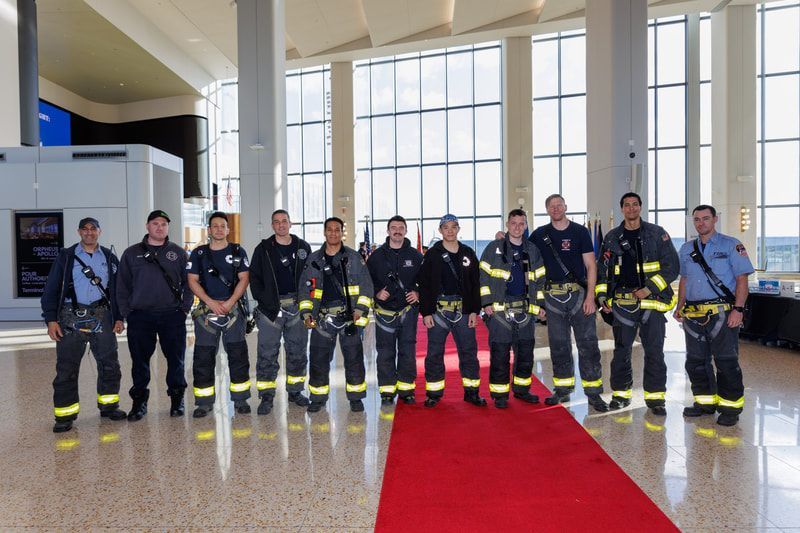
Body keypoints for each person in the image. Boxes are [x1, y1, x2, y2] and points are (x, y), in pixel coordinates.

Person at [596, 193, 679, 416]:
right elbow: (603, 272)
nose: (631, 208)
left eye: (635, 204)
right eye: (627, 205)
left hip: (652, 302)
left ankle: (655, 398)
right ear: (622, 208)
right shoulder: (612, 237)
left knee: (654, 351)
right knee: (621, 351)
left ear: (640, 207)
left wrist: (649, 288)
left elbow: (672, 267)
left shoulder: (657, 234)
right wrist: (602, 297)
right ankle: (621, 395)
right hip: (623, 303)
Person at [41, 217, 126, 433]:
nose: (89, 232)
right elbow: (51, 289)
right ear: (79, 232)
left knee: (109, 364)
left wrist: (119, 317)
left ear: (99, 231)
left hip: (103, 315)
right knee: (67, 367)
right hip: (70, 317)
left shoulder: (109, 256)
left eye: (93, 229)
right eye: (85, 229)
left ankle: (109, 406)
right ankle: (65, 415)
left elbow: (118, 290)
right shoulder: (66, 256)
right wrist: (51, 320)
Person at [674, 205, 753, 427]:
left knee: (726, 361)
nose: (701, 223)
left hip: (723, 313)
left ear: (715, 219)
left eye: (706, 218)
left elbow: (742, 279)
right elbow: (685, 280)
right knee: (696, 362)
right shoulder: (686, 248)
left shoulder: (731, 245)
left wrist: (738, 309)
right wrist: (679, 306)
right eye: (697, 219)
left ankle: (730, 408)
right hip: (693, 315)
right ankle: (705, 403)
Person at [529, 194, 609, 412]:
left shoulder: (580, 232)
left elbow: (591, 266)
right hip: (552, 298)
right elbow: (520, 249)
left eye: (559, 205)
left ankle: (594, 393)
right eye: (551, 206)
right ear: (547, 210)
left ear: (565, 206)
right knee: (559, 345)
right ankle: (563, 389)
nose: (555, 209)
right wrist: (502, 238)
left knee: (588, 344)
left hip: (579, 297)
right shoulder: (539, 235)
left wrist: (591, 297)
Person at [117, 210, 193, 420]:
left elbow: (189, 283)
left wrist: (184, 308)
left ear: (168, 227)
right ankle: (139, 403)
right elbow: (122, 285)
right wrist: (127, 312)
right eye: (155, 223)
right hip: (140, 316)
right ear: (147, 226)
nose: (160, 227)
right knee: (139, 362)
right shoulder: (131, 253)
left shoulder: (178, 253)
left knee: (176, 361)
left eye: (163, 224)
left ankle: (177, 400)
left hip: (172, 316)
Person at [298, 217, 374, 413]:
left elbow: (366, 287)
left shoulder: (354, 258)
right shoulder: (313, 260)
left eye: (337, 229)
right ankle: (317, 397)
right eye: (330, 229)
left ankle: (356, 398)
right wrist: (306, 313)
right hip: (322, 320)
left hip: (350, 319)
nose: (333, 233)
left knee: (354, 360)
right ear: (325, 232)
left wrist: (360, 310)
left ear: (342, 233)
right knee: (318, 360)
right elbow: (304, 290)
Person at [187, 211, 252, 418]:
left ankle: (241, 400)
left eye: (222, 226)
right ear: (209, 229)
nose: (218, 229)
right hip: (207, 312)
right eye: (214, 226)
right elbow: (192, 280)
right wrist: (210, 302)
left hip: (233, 311)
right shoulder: (198, 253)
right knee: (203, 357)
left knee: (238, 355)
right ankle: (204, 402)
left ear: (228, 229)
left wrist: (230, 302)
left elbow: (244, 278)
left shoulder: (237, 251)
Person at [479, 209, 546, 409]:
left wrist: (540, 306)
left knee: (525, 352)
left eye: (521, 223)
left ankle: (522, 390)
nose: (517, 227)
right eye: (513, 223)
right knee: (500, 353)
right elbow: (482, 277)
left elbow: (540, 280)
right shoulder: (494, 248)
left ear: (525, 226)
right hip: (499, 311)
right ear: (507, 224)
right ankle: (500, 395)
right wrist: (486, 303)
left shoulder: (532, 250)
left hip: (525, 310)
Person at [417, 214, 485, 408]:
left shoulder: (468, 253)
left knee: (469, 353)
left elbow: (476, 283)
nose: (450, 231)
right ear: (440, 230)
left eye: (453, 227)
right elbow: (424, 285)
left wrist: (475, 311)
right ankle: (434, 394)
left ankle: (472, 392)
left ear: (458, 229)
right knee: (434, 354)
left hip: (464, 312)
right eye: (445, 227)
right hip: (438, 312)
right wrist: (426, 312)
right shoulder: (432, 254)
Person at [249, 209, 312, 415]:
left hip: (297, 308)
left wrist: (308, 303)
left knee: (297, 352)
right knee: (267, 353)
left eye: (284, 221)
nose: (281, 225)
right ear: (272, 225)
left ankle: (295, 391)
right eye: (276, 222)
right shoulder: (263, 249)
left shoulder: (303, 247)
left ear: (290, 224)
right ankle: (267, 396)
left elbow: (311, 276)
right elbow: (254, 277)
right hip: (270, 310)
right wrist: (264, 300)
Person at [366, 216, 423, 405]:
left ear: (405, 231)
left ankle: (406, 390)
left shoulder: (416, 256)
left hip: (408, 312)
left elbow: (426, 281)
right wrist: (376, 293)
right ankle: (387, 391)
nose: (397, 230)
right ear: (388, 231)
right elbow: (366, 282)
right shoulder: (376, 257)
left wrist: (418, 293)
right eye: (393, 227)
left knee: (407, 350)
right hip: (384, 313)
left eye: (401, 227)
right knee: (385, 352)